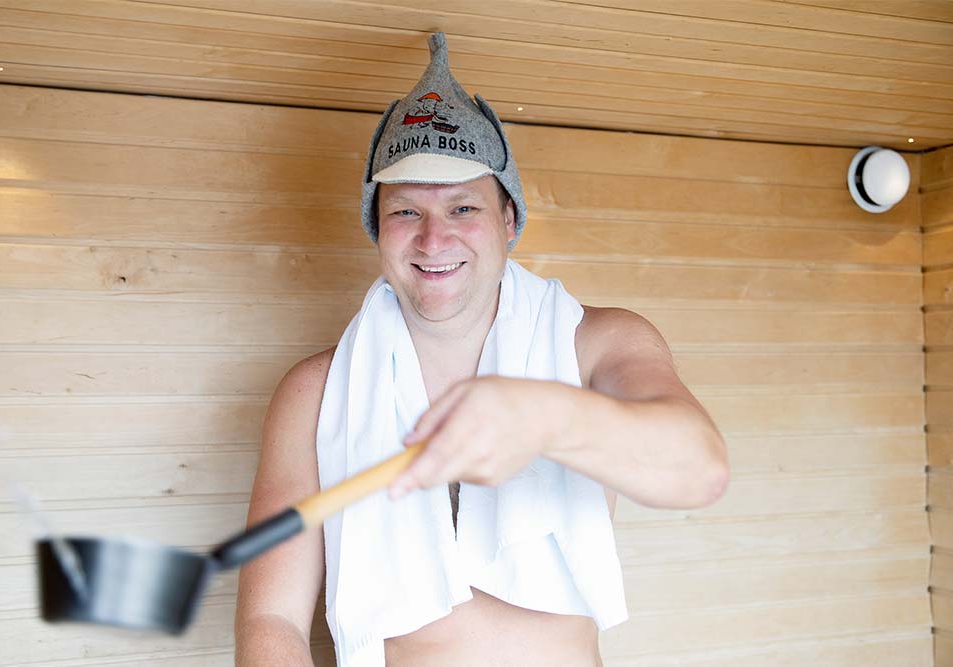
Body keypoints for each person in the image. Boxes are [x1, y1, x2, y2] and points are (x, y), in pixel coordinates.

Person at [235, 33, 729, 667]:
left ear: (509, 222)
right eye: (406, 210)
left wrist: (543, 416)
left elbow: (698, 470)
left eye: (463, 205)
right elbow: (270, 619)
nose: (433, 237)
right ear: (378, 230)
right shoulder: (314, 391)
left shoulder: (599, 344)